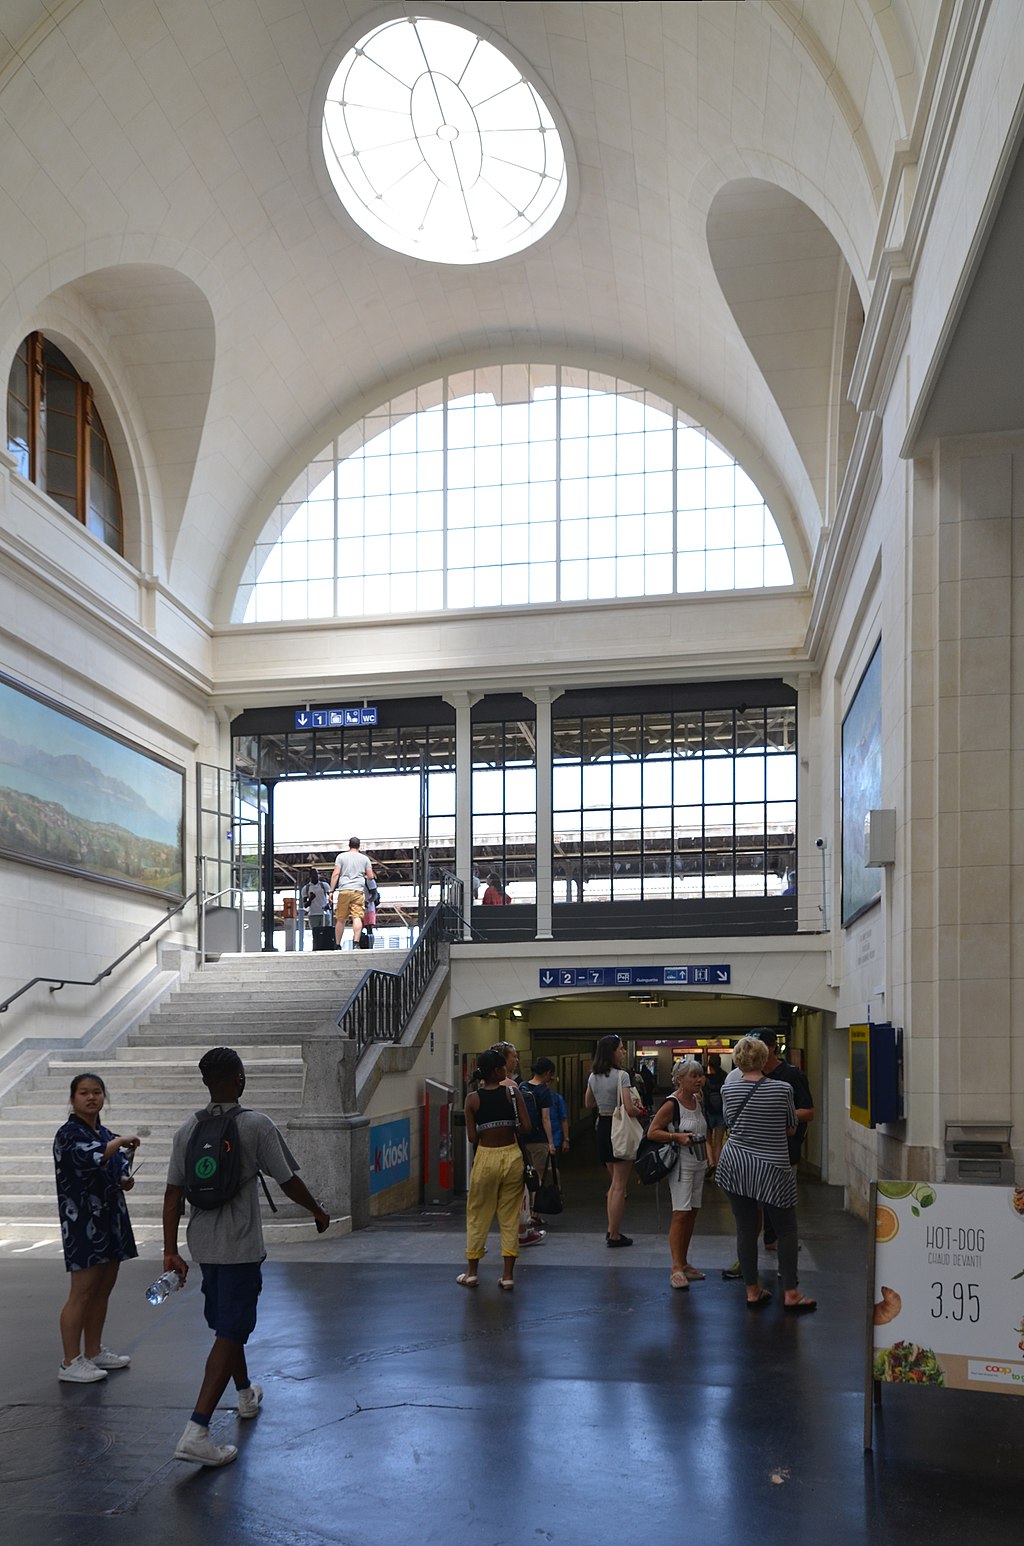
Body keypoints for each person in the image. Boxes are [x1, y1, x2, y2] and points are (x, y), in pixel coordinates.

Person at [162, 1046, 330, 1466]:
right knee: (232, 1331)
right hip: (240, 1244)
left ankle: (244, 1394)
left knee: (225, 1324)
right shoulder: (256, 1124)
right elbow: (287, 1180)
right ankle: (197, 1430)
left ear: (205, 1082)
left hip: (203, 1245)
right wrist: (317, 1210)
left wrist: (170, 1251)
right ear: (239, 1078)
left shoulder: (187, 1129)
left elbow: (171, 1196)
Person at [716, 1036, 816, 1312]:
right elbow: (792, 1127)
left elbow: (733, 1124)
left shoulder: (729, 1090)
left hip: (735, 1163)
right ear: (764, 1059)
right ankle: (791, 1293)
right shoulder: (782, 1089)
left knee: (746, 1228)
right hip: (772, 1164)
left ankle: (751, 1290)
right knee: (786, 1228)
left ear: (737, 1061)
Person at [53, 1072, 140, 1383]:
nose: (91, 1098)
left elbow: (117, 1169)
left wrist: (124, 1178)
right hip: (83, 1224)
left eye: (97, 1092)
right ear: (73, 1099)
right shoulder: (68, 1134)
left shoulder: (103, 1133)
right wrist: (119, 1143)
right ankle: (68, 1361)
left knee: (103, 1289)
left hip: (110, 1220)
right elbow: (93, 1157)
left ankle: (92, 1351)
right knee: (82, 1292)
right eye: (83, 1093)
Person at [458, 1049, 532, 1291]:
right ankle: (508, 1276)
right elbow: (526, 1127)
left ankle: (471, 1273)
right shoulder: (513, 1093)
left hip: (486, 1157)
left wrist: (487, 1128)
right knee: (509, 1217)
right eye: (502, 1068)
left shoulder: (472, 1099)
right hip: (512, 1155)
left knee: (478, 1214)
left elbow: (471, 1137)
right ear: (495, 1071)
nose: (505, 1071)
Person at [646, 1059, 708, 1289]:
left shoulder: (697, 1100)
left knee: (692, 1212)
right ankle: (675, 1267)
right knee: (680, 1213)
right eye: (693, 1076)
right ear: (679, 1079)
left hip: (698, 1162)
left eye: (700, 1075)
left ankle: (683, 1262)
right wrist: (676, 1137)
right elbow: (653, 1132)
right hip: (681, 1165)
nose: (699, 1080)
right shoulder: (672, 1104)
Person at [754, 1028, 814, 1247]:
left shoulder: (792, 1075)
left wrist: (780, 1115)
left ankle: (780, 1238)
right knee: (758, 1199)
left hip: (786, 1148)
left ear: (771, 1048)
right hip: (757, 1149)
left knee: (782, 1197)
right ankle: (769, 1238)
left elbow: (808, 1111)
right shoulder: (750, 1076)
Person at [585, 1033, 645, 1247]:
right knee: (620, 1185)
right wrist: (641, 1111)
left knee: (613, 1184)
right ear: (612, 1052)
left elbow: (588, 1103)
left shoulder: (593, 1076)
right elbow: (628, 1108)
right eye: (620, 1048)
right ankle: (615, 1234)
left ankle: (611, 1229)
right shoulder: (622, 1076)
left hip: (602, 1126)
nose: (623, 1052)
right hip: (618, 1128)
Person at [492, 1040, 545, 1246]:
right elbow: (523, 1123)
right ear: (504, 1061)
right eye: (513, 1055)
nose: (517, 1059)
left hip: (487, 1149)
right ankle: (520, 1232)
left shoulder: (480, 1089)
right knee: (517, 1191)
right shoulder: (511, 1086)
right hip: (510, 1145)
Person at [329, 836, 374, 947]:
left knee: (340, 919)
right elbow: (370, 876)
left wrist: (331, 891)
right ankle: (356, 943)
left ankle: (338, 944)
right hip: (358, 891)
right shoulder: (365, 859)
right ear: (359, 846)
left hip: (344, 890)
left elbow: (335, 874)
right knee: (357, 917)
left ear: (349, 845)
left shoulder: (341, 857)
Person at [521, 1056, 557, 1187]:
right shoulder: (544, 1091)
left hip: (523, 1139)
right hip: (539, 1140)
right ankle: (537, 1206)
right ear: (547, 1073)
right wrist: (551, 1143)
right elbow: (545, 1118)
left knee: (526, 1176)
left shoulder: (522, 1086)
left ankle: (527, 1205)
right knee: (540, 1178)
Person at [703, 1052, 727, 1173]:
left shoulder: (705, 1078)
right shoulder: (724, 1076)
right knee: (718, 1142)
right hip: (721, 1112)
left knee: (708, 1140)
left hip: (708, 1112)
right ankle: (718, 1167)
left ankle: (711, 1163)